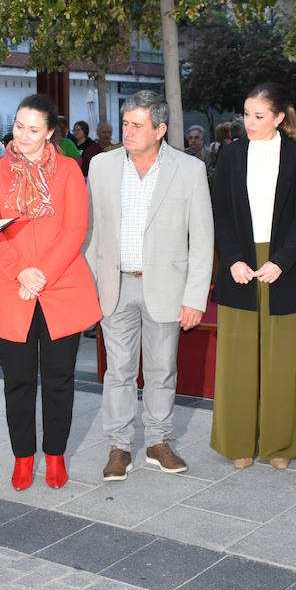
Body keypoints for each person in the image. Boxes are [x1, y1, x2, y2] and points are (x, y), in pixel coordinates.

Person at [85, 90, 213, 482]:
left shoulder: (188, 169)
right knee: (117, 371)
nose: (128, 131)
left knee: (161, 370)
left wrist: (195, 298)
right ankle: (119, 446)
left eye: (137, 125)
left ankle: (158, 441)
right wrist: (91, 281)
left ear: (160, 129)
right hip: (115, 285)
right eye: (125, 123)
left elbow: (203, 236)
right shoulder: (101, 166)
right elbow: (90, 230)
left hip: (167, 288)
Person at [0, 93, 101, 490]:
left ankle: (54, 456)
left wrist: (43, 273)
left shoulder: (68, 169)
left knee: (59, 378)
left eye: (34, 129)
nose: (24, 135)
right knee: (17, 379)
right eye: (19, 126)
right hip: (14, 288)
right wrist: (22, 273)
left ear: (51, 132)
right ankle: (22, 457)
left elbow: (74, 229)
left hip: (62, 285)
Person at [209, 83, 296, 469]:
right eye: (245, 114)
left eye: (258, 116)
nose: (249, 122)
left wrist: (282, 260)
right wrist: (233, 259)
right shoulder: (231, 155)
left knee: (284, 359)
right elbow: (220, 212)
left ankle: (281, 445)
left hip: (283, 265)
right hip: (239, 265)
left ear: (278, 116)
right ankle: (238, 442)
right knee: (236, 358)